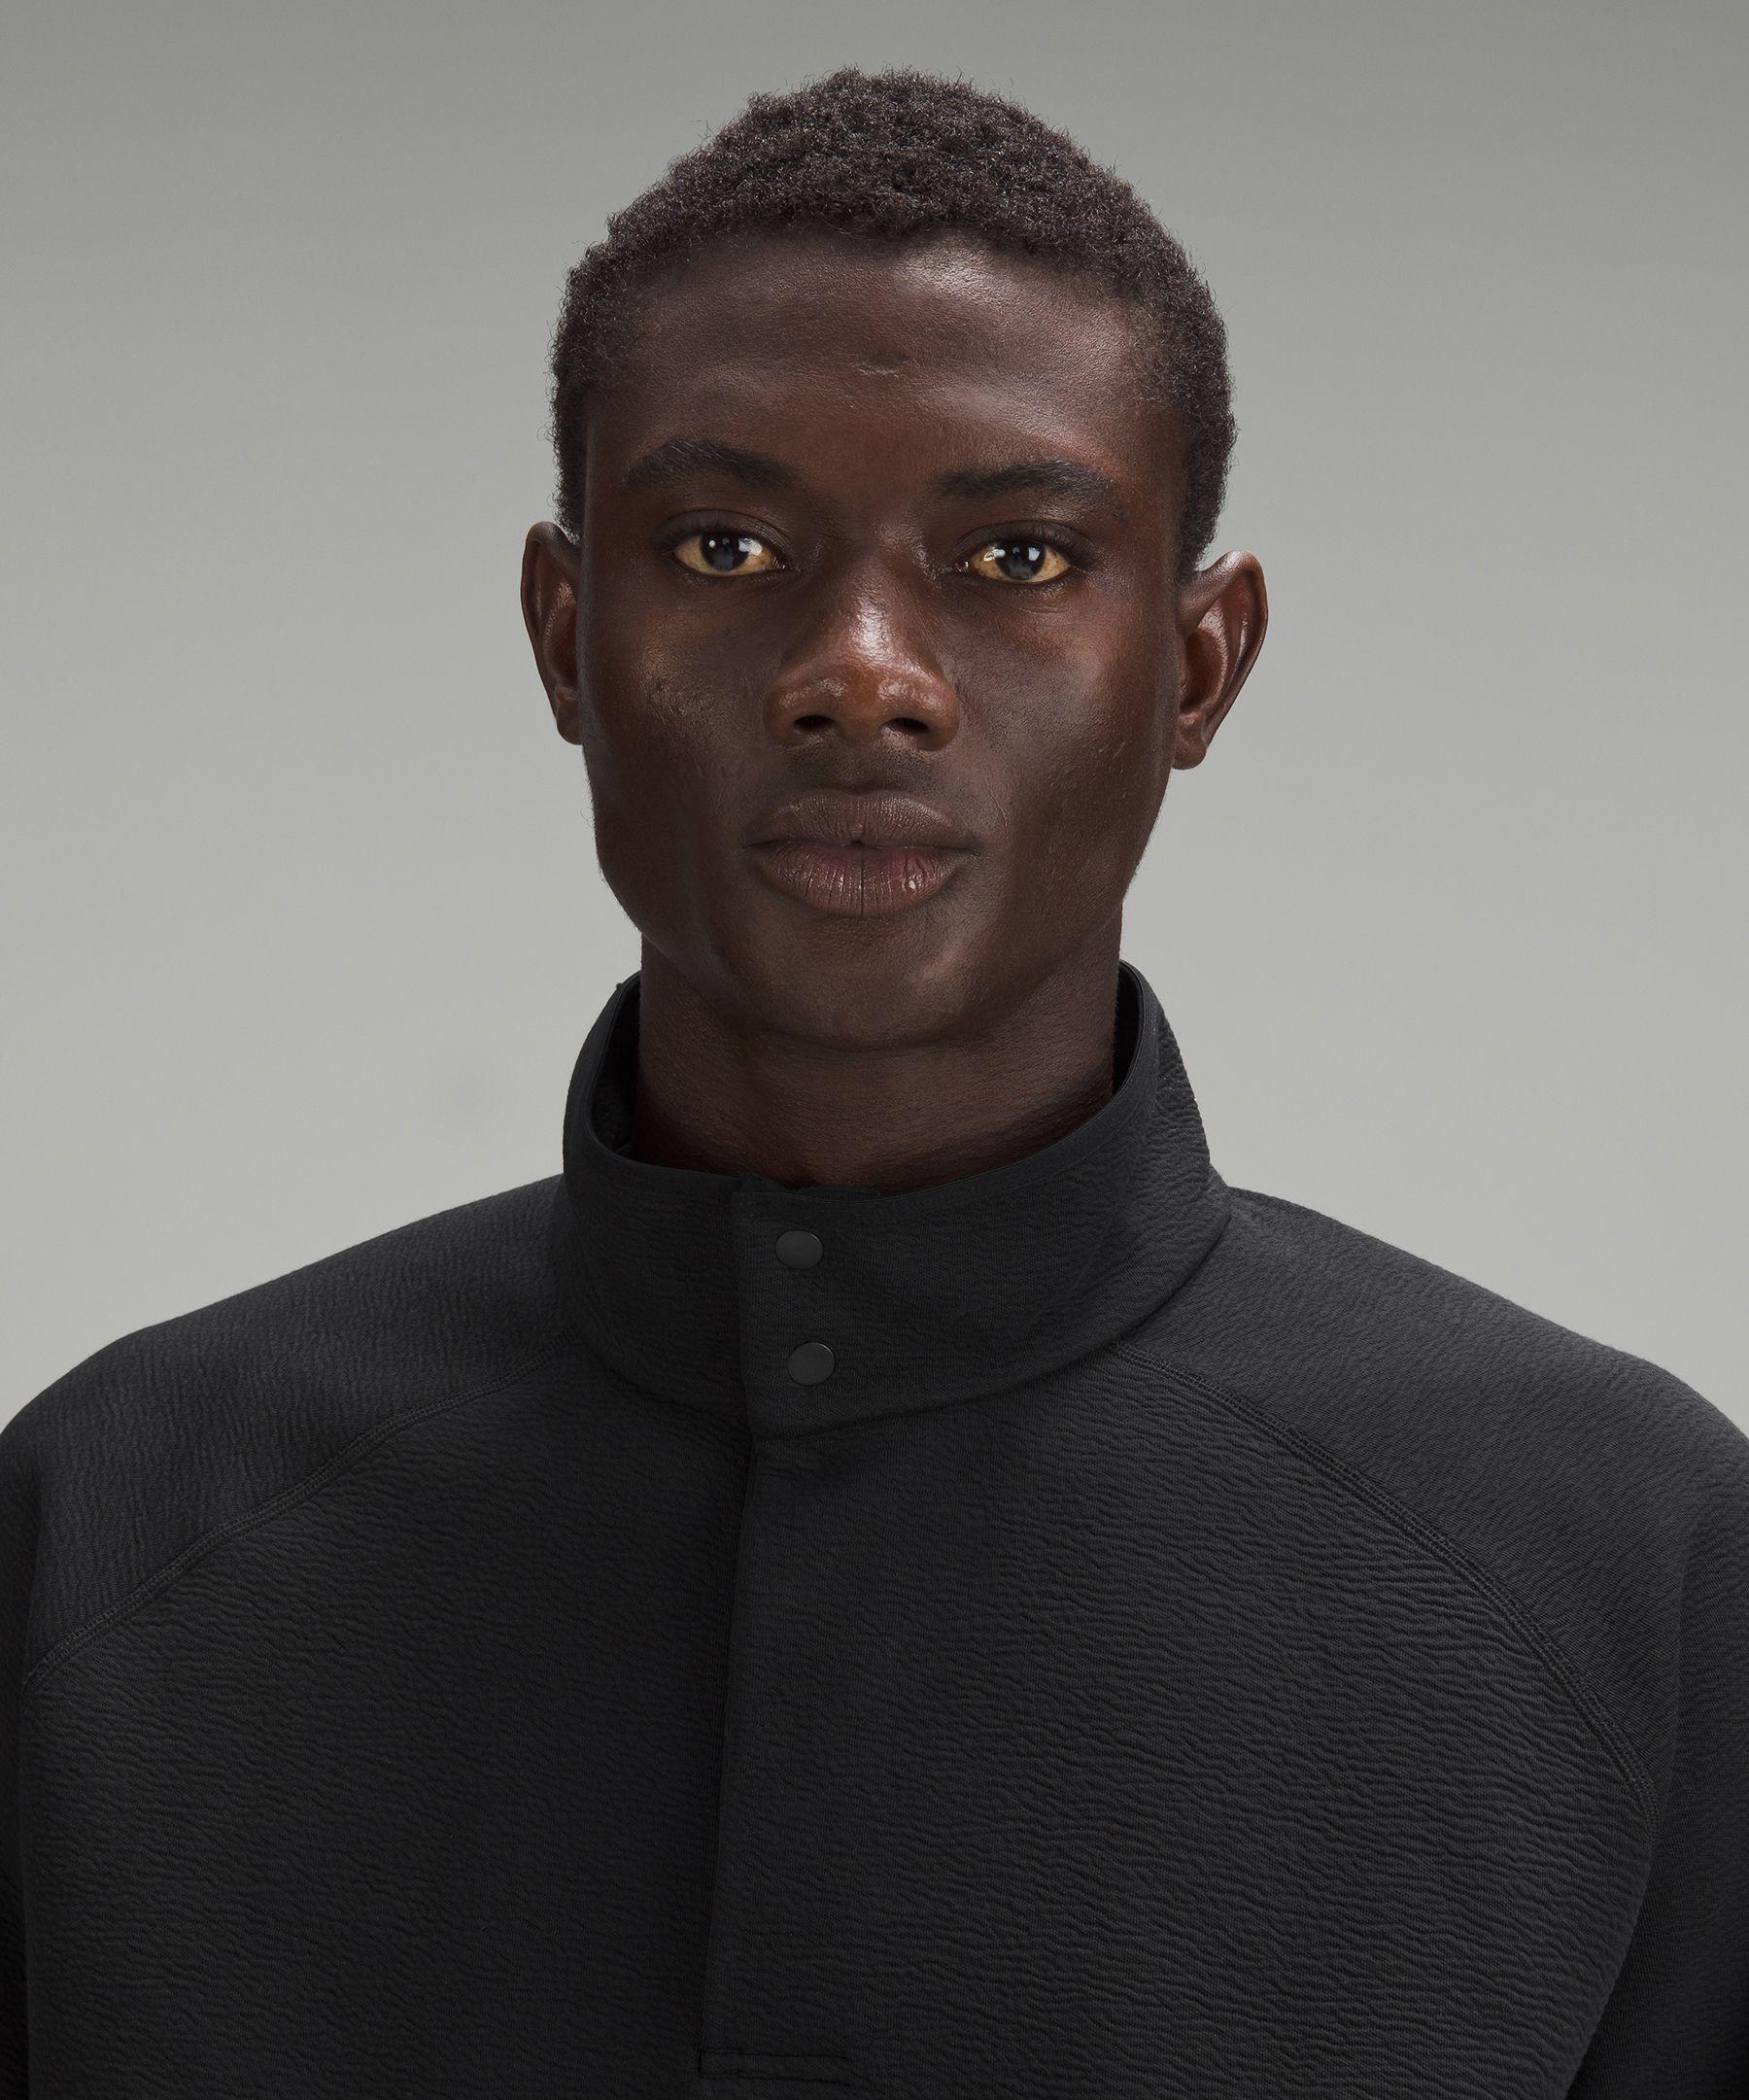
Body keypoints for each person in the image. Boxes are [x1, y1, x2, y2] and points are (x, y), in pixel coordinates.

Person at [3, 63, 1743, 2098]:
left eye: (1018, 561)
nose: (861, 671)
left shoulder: (1634, 1567)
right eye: (725, 542)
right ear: (564, 634)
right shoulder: (104, 1535)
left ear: (1198, 667)